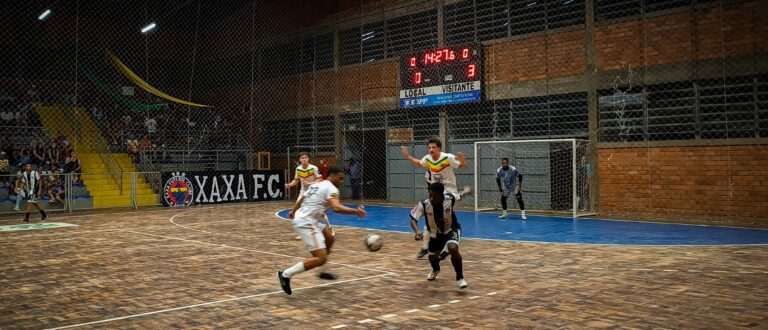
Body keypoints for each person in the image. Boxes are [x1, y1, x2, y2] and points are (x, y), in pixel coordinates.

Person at [277, 167, 366, 295]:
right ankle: (285, 274)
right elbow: (336, 208)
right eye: (340, 178)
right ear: (332, 175)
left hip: (308, 219)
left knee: (330, 238)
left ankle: (322, 271)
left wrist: (293, 210)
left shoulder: (317, 184)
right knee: (320, 258)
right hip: (306, 222)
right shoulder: (332, 188)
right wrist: (356, 212)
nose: (341, 182)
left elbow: (302, 198)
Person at [402, 138, 467, 259]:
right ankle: (427, 247)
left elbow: (463, 166)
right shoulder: (427, 158)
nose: (431, 150)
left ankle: (443, 246)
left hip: (449, 192)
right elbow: (418, 163)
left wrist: (462, 161)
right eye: (429, 147)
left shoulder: (447, 157)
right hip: (436, 192)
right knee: (431, 220)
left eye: (433, 147)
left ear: (439, 148)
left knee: (438, 221)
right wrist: (407, 156)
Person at [410, 182, 472, 289]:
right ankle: (435, 269)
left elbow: (460, 195)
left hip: (451, 229)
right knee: (432, 256)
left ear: (441, 195)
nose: (432, 198)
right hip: (434, 233)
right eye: (430, 195)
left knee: (453, 248)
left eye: (434, 196)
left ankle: (460, 278)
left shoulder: (450, 198)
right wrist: (417, 231)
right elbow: (413, 220)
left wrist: (466, 191)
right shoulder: (424, 204)